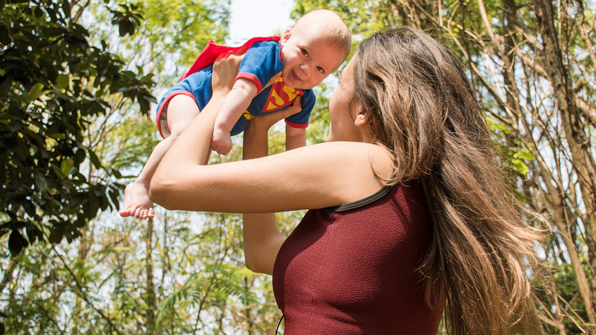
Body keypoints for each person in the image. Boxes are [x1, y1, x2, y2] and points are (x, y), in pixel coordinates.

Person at [149, 27, 540, 334]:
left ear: (362, 111)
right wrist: (258, 127)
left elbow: (169, 184)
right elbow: (262, 251)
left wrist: (221, 95)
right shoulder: (420, 201)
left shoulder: (364, 163)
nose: (327, 95)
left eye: (338, 85)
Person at [119, 9, 351, 219]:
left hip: (212, 119)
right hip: (192, 96)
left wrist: (304, 179)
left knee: (193, 165)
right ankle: (141, 183)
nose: (306, 69)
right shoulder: (268, 55)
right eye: (304, 53)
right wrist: (222, 129)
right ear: (287, 38)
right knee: (183, 133)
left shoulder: (303, 98)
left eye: (320, 69)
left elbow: (296, 140)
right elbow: (241, 90)